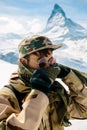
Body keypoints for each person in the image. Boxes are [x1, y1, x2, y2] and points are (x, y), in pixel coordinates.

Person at [0, 35, 87, 130]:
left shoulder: (53, 91)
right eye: (41, 62)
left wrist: (69, 77)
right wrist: (38, 94)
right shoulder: (8, 96)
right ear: (24, 61)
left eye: (51, 60)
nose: (48, 66)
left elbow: (83, 110)